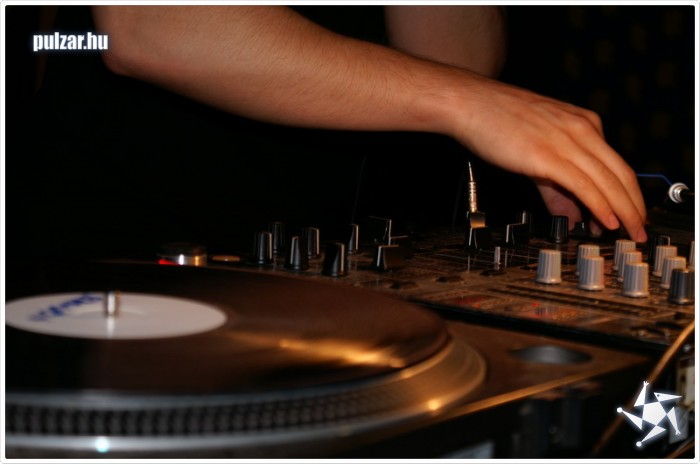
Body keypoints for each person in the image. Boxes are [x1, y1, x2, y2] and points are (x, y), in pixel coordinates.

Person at [89, 5, 648, 244]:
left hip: (321, 261)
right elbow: (146, 22)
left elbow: (455, 55)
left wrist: (467, 93)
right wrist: (464, 100)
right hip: (126, 260)